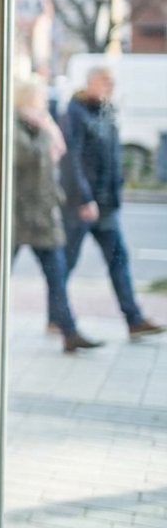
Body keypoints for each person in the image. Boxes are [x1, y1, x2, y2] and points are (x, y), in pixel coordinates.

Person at [0, 80, 103, 352]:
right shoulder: (9, 127)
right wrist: (45, 132)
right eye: (39, 99)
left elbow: (59, 152)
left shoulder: (42, 125)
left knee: (57, 275)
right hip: (14, 218)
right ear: (25, 101)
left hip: (43, 218)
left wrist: (47, 128)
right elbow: (27, 157)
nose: (44, 104)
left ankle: (69, 331)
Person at [60, 67, 162, 338]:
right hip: (83, 205)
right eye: (105, 82)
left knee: (119, 260)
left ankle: (134, 319)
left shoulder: (107, 111)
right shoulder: (75, 112)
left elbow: (112, 154)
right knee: (63, 264)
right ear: (90, 82)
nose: (110, 87)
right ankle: (57, 317)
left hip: (106, 205)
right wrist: (84, 198)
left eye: (113, 82)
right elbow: (72, 158)